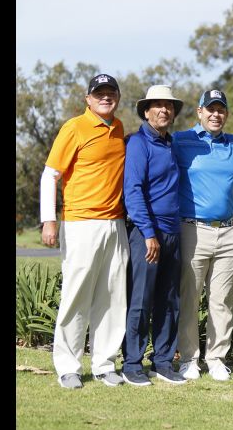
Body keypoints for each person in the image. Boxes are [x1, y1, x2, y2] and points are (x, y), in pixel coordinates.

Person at [40, 74, 129, 389]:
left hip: (115, 224)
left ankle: (105, 364)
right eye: (99, 93)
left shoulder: (119, 130)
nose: (106, 97)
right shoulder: (74, 127)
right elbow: (51, 174)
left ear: (117, 97)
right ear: (88, 99)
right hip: (80, 223)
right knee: (76, 295)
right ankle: (68, 367)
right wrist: (48, 220)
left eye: (110, 92)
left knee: (112, 296)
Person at [172, 90, 233, 382]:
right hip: (192, 230)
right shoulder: (181, 141)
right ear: (199, 112)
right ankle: (189, 359)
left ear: (226, 115)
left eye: (221, 110)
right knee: (189, 297)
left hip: (228, 233)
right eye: (211, 109)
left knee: (222, 301)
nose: (216, 115)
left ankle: (216, 358)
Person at [121, 85, 185, 386]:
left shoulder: (170, 143)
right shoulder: (138, 144)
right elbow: (132, 190)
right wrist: (148, 233)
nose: (164, 110)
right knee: (141, 300)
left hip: (173, 232)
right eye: (157, 106)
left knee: (169, 300)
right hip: (148, 233)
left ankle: (162, 361)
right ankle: (132, 363)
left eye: (168, 106)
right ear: (146, 111)